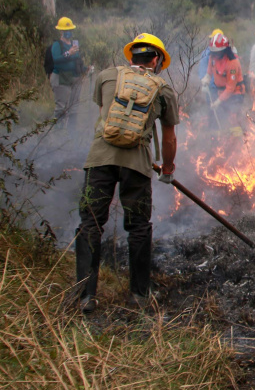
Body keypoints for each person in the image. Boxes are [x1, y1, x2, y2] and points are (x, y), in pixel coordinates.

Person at [75, 33, 179, 314]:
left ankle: (86, 296)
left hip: (99, 159)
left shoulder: (107, 77)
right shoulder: (163, 89)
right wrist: (167, 169)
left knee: (90, 224)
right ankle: (139, 296)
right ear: (156, 59)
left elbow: (104, 116)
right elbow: (169, 138)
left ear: (131, 56)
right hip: (137, 165)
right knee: (139, 227)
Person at [202, 33, 246, 136]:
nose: (215, 55)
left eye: (218, 52)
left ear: (224, 51)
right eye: (213, 52)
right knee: (219, 116)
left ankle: (238, 141)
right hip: (220, 91)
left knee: (233, 117)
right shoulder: (212, 57)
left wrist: (218, 101)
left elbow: (231, 88)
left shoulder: (232, 63)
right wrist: (206, 79)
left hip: (235, 93)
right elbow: (209, 72)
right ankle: (219, 141)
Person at [50, 17, 85, 124]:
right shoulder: (57, 45)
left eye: (69, 30)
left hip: (75, 78)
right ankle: (58, 132)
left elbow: (77, 61)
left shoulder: (74, 44)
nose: (68, 33)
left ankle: (72, 133)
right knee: (61, 107)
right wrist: (68, 53)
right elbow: (56, 60)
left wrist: (86, 68)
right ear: (61, 31)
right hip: (61, 78)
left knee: (74, 107)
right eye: (65, 31)